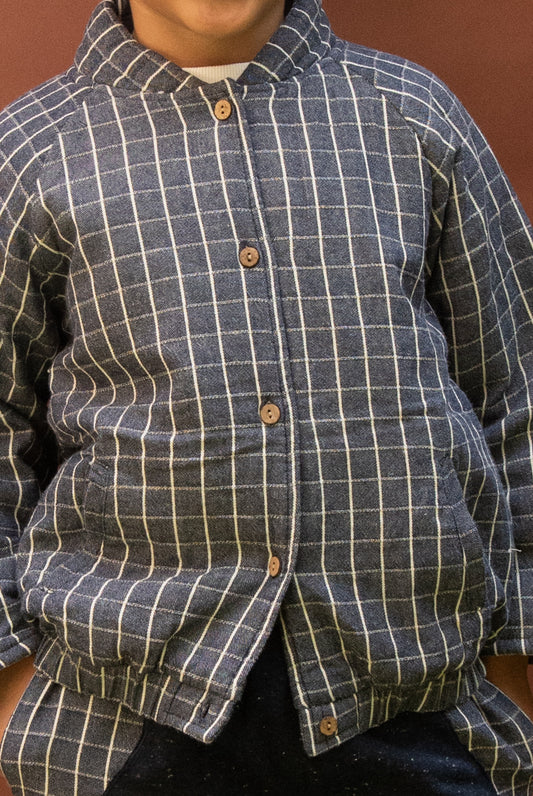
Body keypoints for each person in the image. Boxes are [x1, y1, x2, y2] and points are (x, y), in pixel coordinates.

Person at [0, 0, 532, 793]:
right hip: (122, 719)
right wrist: (11, 690)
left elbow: (513, 387)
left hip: (421, 699)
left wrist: (515, 665)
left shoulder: (410, 115)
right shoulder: (31, 152)